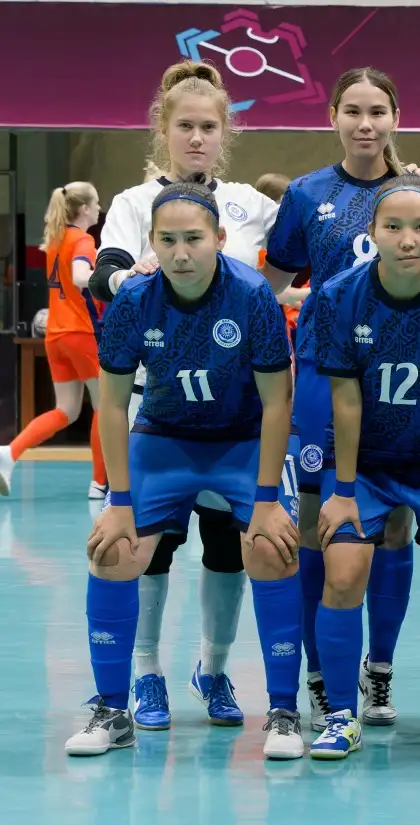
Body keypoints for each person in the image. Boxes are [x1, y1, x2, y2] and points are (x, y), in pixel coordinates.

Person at [65, 181, 304, 760]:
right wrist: (118, 502)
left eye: (193, 238)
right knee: (112, 550)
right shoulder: (133, 299)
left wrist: (267, 500)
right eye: (167, 240)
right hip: (164, 438)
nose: (180, 253)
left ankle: (283, 711)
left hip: (241, 440)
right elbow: (113, 405)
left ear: (219, 238)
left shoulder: (252, 294)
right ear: (151, 241)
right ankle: (111, 709)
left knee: (272, 547)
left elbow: (278, 402)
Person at [85, 61, 280, 733]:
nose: (197, 138)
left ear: (224, 134)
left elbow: (325, 233)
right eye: (184, 126)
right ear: (162, 131)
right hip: (161, 410)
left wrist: (404, 177)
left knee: (229, 549)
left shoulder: (251, 205)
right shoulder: (134, 203)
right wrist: (133, 281)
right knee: (154, 548)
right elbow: (105, 271)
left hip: (236, 414)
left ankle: (212, 667)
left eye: (208, 127)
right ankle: (145, 671)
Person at [265, 68, 420, 731]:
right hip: (322, 376)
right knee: (317, 523)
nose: (366, 124)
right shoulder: (307, 195)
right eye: (353, 111)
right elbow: (267, 284)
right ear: (332, 115)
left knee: (394, 523)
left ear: (396, 117)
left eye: (378, 111)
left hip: (401, 380)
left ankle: (379, 670)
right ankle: (320, 671)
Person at [307, 175, 420, 763]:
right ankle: (341, 715)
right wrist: (342, 491)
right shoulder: (339, 296)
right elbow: (345, 400)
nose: (407, 239)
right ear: (373, 233)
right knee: (343, 573)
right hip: (364, 463)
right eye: (393, 227)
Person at [0, 183, 105, 499]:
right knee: (105, 406)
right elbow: (80, 276)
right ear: (84, 209)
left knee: (67, 410)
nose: (99, 209)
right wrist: (113, 278)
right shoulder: (83, 240)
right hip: (81, 333)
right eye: (96, 203)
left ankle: (8, 453)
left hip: (55, 334)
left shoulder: (56, 239)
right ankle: (100, 483)